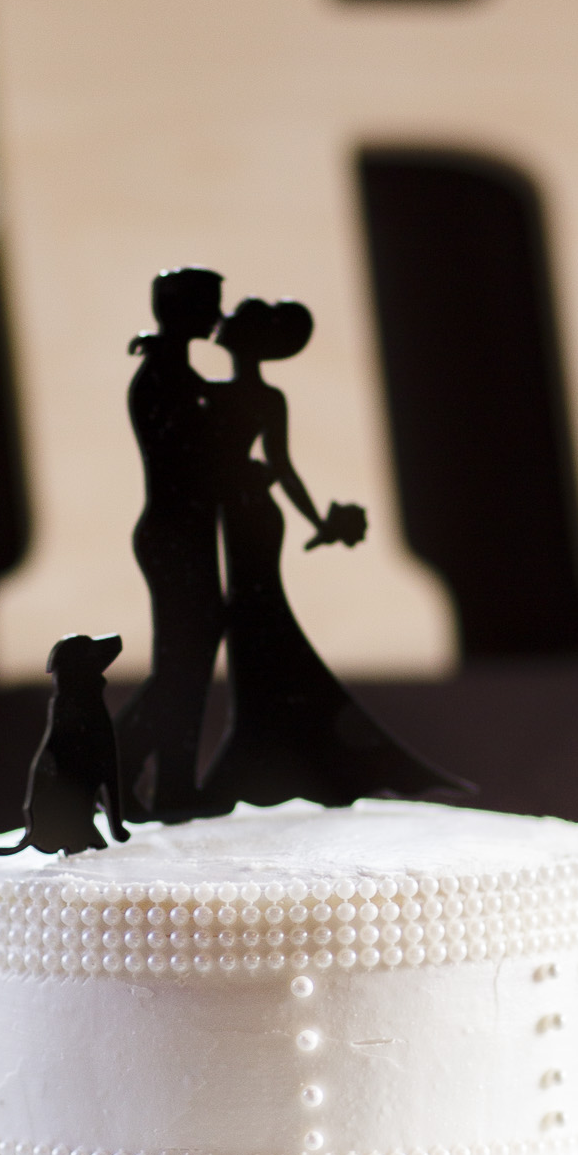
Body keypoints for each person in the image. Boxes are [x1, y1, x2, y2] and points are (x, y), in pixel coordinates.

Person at [199, 296, 457, 813]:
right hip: (240, 513)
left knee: (257, 622)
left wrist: (317, 521)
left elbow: (283, 466)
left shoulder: (240, 397)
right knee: (254, 624)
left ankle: (267, 754)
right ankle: (274, 750)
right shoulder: (215, 392)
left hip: (252, 517)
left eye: (237, 320)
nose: (223, 322)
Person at [117, 267, 226, 820]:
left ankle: (173, 784)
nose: (218, 316)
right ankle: (122, 763)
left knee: (189, 661)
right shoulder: (165, 377)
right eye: (212, 304)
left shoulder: (173, 371)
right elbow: (191, 460)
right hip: (176, 535)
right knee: (182, 664)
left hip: (185, 533)